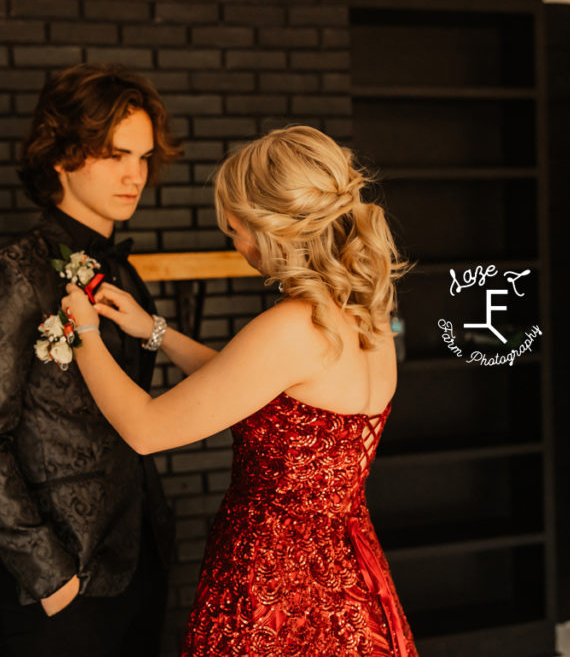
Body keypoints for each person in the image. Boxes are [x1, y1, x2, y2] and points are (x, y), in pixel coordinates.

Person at [61, 125, 419, 656]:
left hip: (274, 587)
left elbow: (145, 429)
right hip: (347, 576)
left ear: (273, 226)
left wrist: (82, 331)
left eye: (235, 231)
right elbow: (264, 397)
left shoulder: (293, 326)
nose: (237, 246)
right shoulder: (368, 313)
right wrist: (155, 331)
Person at [0, 63, 181, 657]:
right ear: (61, 155)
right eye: (115, 155)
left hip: (141, 557)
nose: (136, 175)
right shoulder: (14, 272)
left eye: (144, 158)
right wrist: (50, 576)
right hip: (62, 578)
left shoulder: (124, 273)